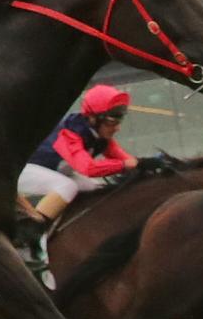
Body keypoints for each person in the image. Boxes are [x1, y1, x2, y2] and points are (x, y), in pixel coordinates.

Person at [18, 84, 155, 222]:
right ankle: (32, 229)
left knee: (96, 189)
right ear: (93, 118)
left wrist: (147, 164)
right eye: (112, 120)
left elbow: (128, 160)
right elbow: (89, 169)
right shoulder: (69, 134)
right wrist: (127, 164)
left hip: (56, 172)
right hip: (24, 170)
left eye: (119, 120)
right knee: (67, 186)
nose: (117, 128)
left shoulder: (99, 135)